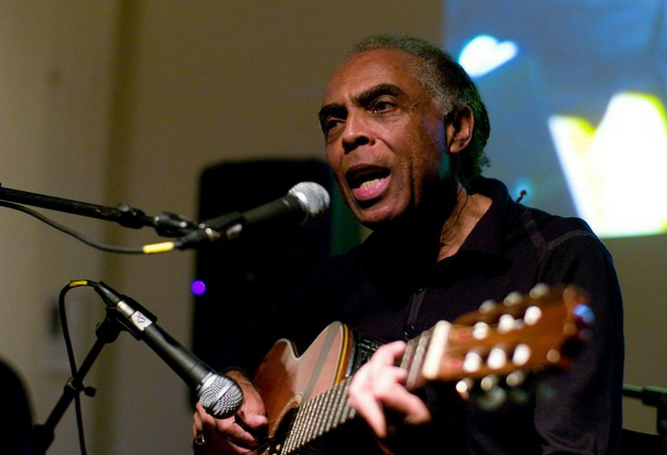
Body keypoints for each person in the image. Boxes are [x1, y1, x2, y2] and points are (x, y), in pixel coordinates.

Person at [192, 34, 624, 455]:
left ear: (457, 129)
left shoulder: (556, 256)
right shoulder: (338, 281)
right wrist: (233, 390)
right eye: (334, 122)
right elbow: (228, 351)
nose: (349, 135)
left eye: (382, 106)